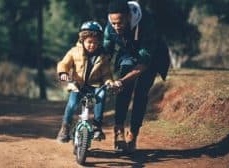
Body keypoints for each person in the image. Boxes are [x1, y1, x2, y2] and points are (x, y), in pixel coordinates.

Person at [103, 0, 170, 153]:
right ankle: (119, 131)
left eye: (119, 23)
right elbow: (106, 52)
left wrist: (120, 81)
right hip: (128, 53)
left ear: (128, 17)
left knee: (141, 93)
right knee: (123, 90)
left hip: (152, 56)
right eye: (113, 23)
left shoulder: (147, 23)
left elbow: (144, 62)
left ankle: (133, 134)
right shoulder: (111, 24)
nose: (116, 26)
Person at [56, 21, 114, 143]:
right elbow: (64, 64)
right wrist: (63, 73)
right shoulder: (74, 52)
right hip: (77, 85)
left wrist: (109, 82)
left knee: (101, 96)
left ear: (99, 42)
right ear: (82, 40)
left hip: (95, 86)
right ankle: (65, 127)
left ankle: (97, 126)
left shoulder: (103, 56)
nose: (92, 45)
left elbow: (106, 74)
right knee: (72, 104)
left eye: (95, 42)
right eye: (89, 42)